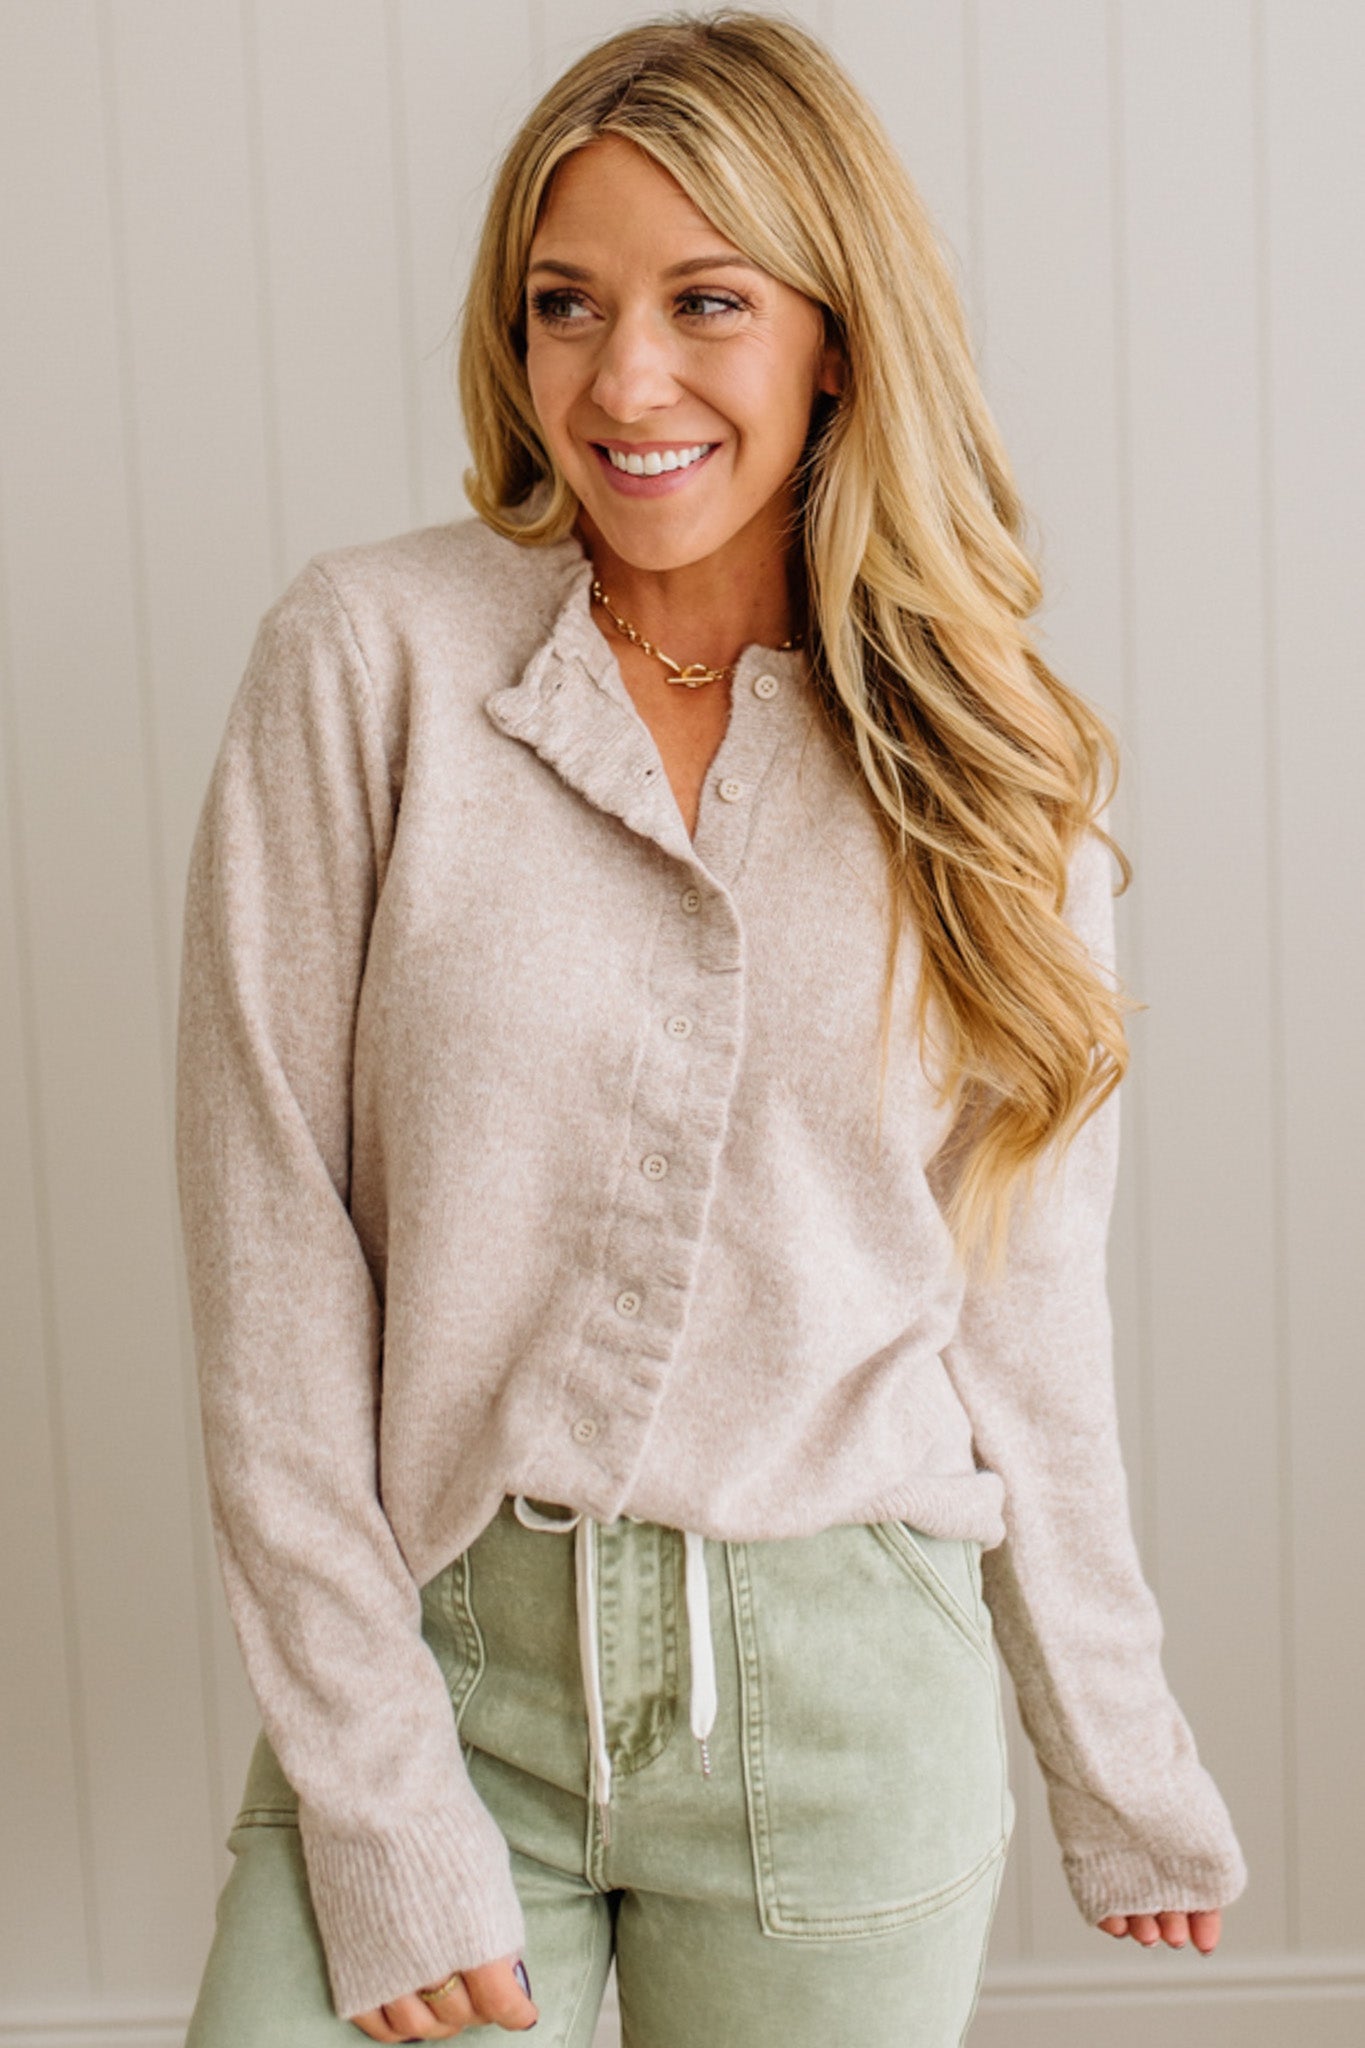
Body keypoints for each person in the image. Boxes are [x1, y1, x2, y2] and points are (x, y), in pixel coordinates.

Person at [174, 11, 1248, 2045]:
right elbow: (271, 1248)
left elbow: (1019, 1314)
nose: (621, 380)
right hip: (445, 1666)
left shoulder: (994, 767)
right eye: (561, 306)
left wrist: (1115, 1756)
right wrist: (380, 1802)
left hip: (841, 1695)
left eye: (705, 304)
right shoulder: (368, 663)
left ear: (833, 335)